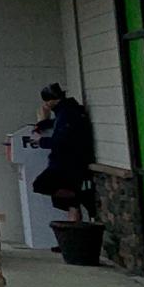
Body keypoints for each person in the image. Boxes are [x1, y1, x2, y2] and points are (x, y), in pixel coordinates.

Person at [31, 82, 95, 224]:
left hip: (66, 163)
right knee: (71, 204)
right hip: (75, 161)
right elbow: (55, 125)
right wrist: (42, 122)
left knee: (41, 185)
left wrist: (40, 141)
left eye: (46, 101)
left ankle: (80, 196)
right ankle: (73, 236)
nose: (46, 105)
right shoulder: (69, 110)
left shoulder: (67, 114)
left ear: (51, 100)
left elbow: (62, 141)